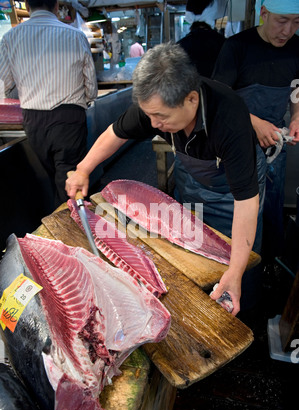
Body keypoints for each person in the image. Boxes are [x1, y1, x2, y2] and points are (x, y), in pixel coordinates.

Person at [65, 42, 259, 316]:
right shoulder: (155, 106)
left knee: (238, 265)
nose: (153, 124)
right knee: (190, 253)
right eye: (149, 116)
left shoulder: (229, 118)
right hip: (194, 179)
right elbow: (115, 133)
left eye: (161, 117)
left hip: (234, 193)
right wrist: (83, 169)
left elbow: (247, 201)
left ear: (191, 99)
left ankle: (245, 312)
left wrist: (236, 272)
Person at [212, 0, 299, 265]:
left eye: (296, 22)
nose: (288, 30)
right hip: (239, 145)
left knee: (272, 208)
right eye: (281, 21)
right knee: (246, 212)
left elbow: (297, 88)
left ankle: (271, 265)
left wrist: (296, 115)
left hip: (275, 143)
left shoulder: (297, 48)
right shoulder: (237, 47)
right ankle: (244, 268)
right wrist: (253, 123)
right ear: (264, 13)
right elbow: (218, 99)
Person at [0, 0, 97, 209]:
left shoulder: (10, 38)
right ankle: (72, 232)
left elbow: (5, 84)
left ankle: (63, 229)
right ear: (56, 6)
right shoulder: (75, 35)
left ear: (26, 6)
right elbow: (91, 82)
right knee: (69, 182)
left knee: (55, 178)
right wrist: (87, 100)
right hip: (69, 117)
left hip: (33, 119)